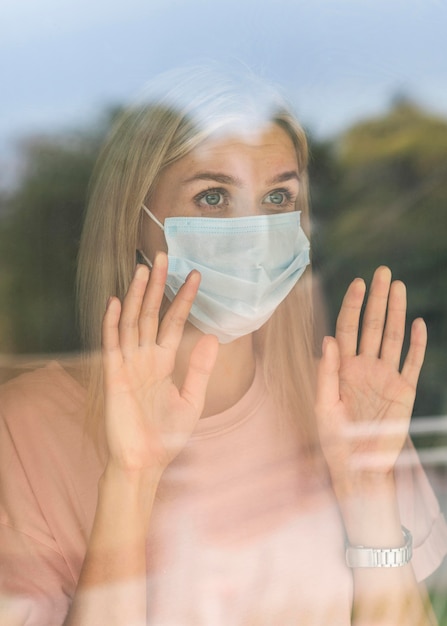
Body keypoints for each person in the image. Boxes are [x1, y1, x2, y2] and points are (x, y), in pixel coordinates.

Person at [0, 65, 446, 626]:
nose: (256, 231)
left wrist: (368, 489)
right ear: (134, 218)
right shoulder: (26, 431)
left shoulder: (347, 404)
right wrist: (130, 479)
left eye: (278, 197)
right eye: (213, 195)